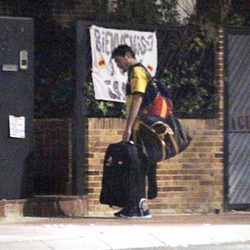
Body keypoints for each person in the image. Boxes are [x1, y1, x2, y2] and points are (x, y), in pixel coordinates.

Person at [111, 45, 170, 218]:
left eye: (119, 61)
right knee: (141, 166)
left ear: (128, 55)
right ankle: (139, 206)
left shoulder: (136, 72)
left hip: (142, 126)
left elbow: (138, 99)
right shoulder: (140, 71)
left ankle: (137, 207)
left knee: (136, 166)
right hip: (145, 126)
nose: (118, 65)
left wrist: (128, 127)